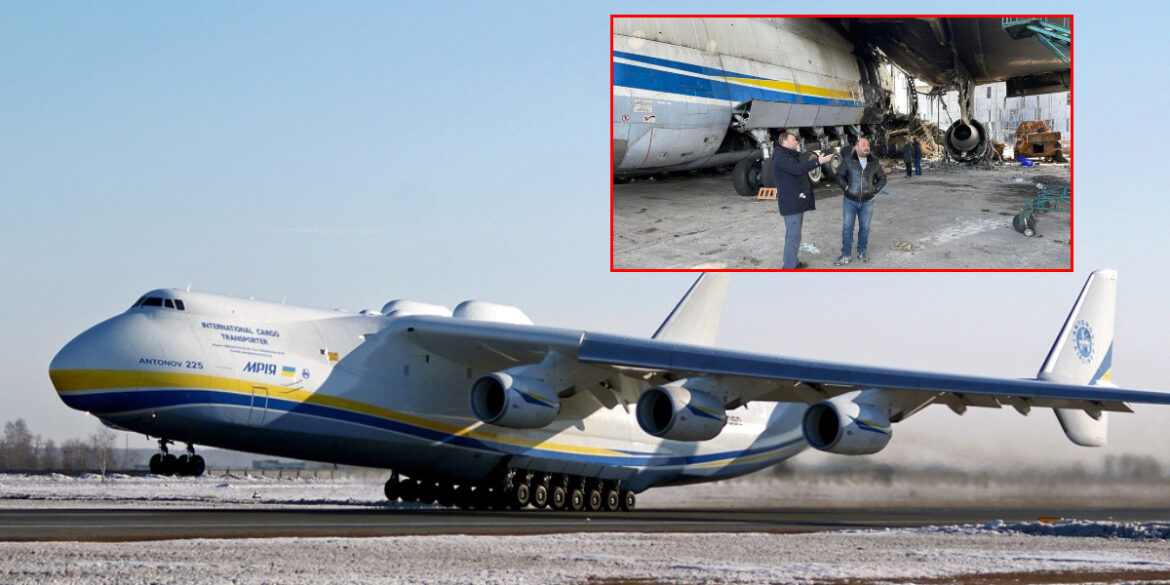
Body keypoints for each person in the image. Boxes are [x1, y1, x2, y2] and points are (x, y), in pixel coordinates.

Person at [772, 132, 835, 269]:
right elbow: (797, 169)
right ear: (784, 143)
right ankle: (789, 267)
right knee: (793, 237)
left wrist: (820, 157)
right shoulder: (782, 158)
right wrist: (818, 161)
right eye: (793, 140)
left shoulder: (789, 156)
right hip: (791, 204)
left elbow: (802, 162)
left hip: (795, 202)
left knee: (794, 235)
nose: (796, 142)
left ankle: (792, 262)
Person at [833, 137, 887, 265]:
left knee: (865, 228)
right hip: (850, 200)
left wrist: (874, 190)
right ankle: (846, 254)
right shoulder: (848, 161)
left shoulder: (874, 162)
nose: (866, 147)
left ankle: (861, 251)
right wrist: (847, 188)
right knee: (847, 228)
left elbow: (882, 178)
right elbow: (839, 176)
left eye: (867, 144)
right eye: (863, 145)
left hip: (868, 201)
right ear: (857, 148)